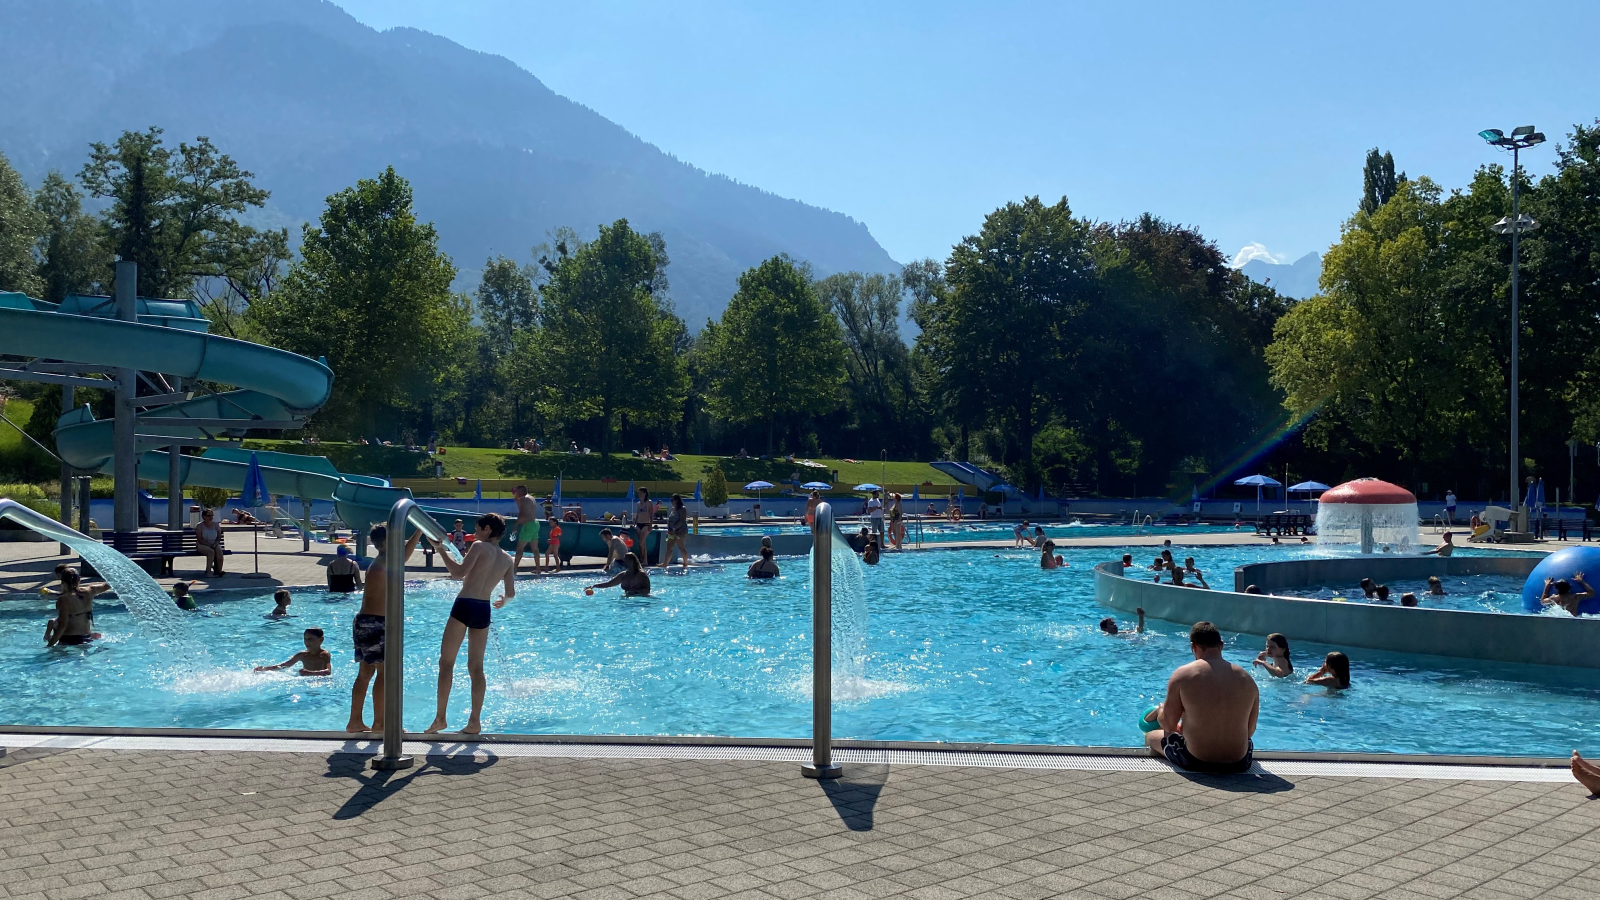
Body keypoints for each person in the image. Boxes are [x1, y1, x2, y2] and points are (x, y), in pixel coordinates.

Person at [425, 513, 515, 735]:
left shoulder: (479, 546)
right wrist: (503, 602)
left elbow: (457, 573)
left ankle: (440, 719)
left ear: (486, 529)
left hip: (465, 604)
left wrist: (440, 550)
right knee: (476, 668)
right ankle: (474, 721)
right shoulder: (507, 558)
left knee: (446, 663)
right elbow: (511, 593)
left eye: (476, 529)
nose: (473, 534)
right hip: (483, 609)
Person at [1144, 622, 1259, 774]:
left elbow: (1169, 726)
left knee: (1151, 736)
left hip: (1197, 761)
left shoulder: (1183, 675)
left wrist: (1160, 711)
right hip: (1240, 763)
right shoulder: (1247, 679)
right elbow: (1249, 732)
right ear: (1221, 646)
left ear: (1193, 646)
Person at [346, 523, 423, 733]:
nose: (400, 541)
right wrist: (419, 530)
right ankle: (380, 723)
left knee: (365, 673)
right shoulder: (387, 561)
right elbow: (405, 555)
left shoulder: (380, 561)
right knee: (384, 674)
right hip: (377, 623)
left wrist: (417, 532)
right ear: (385, 543)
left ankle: (355, 721)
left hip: (364, 621)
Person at [42, 565, 107, 646]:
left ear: (63, 582)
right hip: (86, 638)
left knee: (52, 622)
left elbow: (62, 625)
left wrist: (50, 645)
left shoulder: (64, 599)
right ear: (79, 579)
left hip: (68, 640)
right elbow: (107, 584)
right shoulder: (90, 590)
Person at [255, 628, 332, 676]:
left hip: (322, 681)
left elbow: (328, 672)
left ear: (321, 640)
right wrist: (264, 668)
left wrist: (309, 673)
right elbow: (283, 665)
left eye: (310, 639)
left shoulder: (324, 654)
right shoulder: (302, 655)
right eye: (305, 639)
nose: (306, 642)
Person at [510, 485, 540, 572]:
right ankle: (538, 569)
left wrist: (516, 525)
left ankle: (514, 569)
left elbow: (522, 514)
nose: (516, 493)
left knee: (520, 548)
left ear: (521, 492)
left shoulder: (523, 499)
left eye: (517, 491)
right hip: (535, 523)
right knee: (535, 548)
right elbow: (521, 505)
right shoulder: (531, 498)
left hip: (528, 524)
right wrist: (516, 496)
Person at [663, 494, 689, 571]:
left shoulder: (682, 509)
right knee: (669, 547)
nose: (671, 502)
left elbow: (682, 520)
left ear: (677, 500)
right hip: (672, 531)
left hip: (680, 531)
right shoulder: (672, 509)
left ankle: (685, 562)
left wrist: (675, 528)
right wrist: (669, 529)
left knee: (681, 546)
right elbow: (669, 520)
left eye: (673, 500)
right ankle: (665, 563)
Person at [195, 508, 224, 576]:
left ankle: (219, 571)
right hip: (202, 544)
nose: (211, 517)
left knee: (219, 553)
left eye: (212, 515)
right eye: (209, 516)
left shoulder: (216, 525)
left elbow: (219, 537)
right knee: (211, 552)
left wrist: (215, 544)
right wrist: (208, 545)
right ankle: (209, 572)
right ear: (204, 517)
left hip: (214, 543)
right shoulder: (199, 526)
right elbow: (199, 539)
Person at [635, 487, 658, 567]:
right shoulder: (638, 504)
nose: (640, 494)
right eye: (639, 493)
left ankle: (645, 560)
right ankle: (642, 559)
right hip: (639, 524)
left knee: (641, 542)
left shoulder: (649, 502)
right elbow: (638, 514)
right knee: (641, 543)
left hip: (646, 524)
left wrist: (651, 524)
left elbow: (651, 514)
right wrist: (635, 523)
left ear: (645, 493)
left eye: (641, 493)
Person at [542, 509, 564, 573]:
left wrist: (550, 539)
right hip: (552, 543)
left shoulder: (557, 528)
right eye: (550, 522)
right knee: (547, 554)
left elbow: (557, 537)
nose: (550, 524)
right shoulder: (553, 529)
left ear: (555, 522)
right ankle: (546, 567)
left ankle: (557, 568)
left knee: (555, 555)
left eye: (551, 522)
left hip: (555, 543)